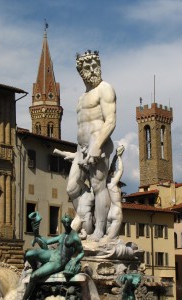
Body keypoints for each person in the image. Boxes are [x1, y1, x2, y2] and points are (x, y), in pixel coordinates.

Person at [67, 50, 116, 241]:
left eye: (95, 65)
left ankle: (99, 230)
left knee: (98, 186)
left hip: (99, 142)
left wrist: (97, 145)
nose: (92, 70)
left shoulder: (105, 88)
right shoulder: (81, 98)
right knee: (71, 188)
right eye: (87, 67)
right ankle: (87, 219)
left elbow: (110, 120)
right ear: (81, 71)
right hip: (81, 148)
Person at [23, 214, 84, 300]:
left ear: (70, 222)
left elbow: (82, 252)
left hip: (58, 262)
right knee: (29, 254)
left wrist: (75, 260)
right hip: (52, 254)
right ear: (62, 222)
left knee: (33, 276)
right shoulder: (62, 235)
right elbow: (46, 242)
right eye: (64, 223)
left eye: (68, 223)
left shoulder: (75, 237)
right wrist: (36, 235)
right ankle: (35, 268)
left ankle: (24, 298)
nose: (66, 224)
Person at [106, 145, 125, 240]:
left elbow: (112, 168)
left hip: (109, 213)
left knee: (107, 237)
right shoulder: (113, 183)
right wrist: (120, 158)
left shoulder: (106, 184)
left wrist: (114, 157)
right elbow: (120, 170)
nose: (113, 173)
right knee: (110, 239)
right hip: (117, 211)